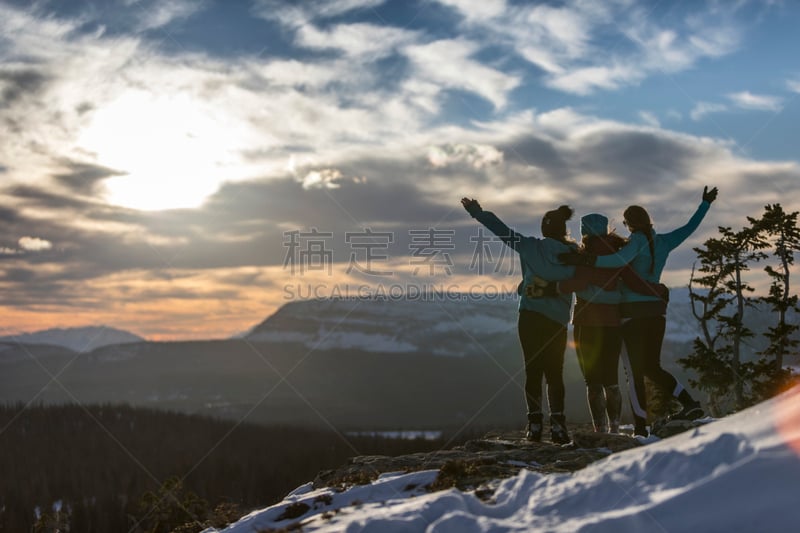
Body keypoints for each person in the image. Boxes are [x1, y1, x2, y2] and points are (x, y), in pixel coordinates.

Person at [559, 186, 719, 436]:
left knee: (634, 373)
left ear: (629, 223)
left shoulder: (636, 241)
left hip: (632, 314)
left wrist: (586, 260)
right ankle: (690, 404)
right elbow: (689, 228)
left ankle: (641, 428)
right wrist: (704, 205)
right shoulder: (664, 241)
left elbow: (616, 262)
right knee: (652, 367)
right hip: (657, 314)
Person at [530, 213, 668, 433]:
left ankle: (601, 431)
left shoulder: (583, 256)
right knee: (611, 380)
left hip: (586, 322)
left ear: (585, 232)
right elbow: (635, 282)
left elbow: (576, 282)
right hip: (613, 323)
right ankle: (614, 427)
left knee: (592, 381)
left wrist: (549, 288)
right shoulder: (620, 255)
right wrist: (660, 291)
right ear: (605, 229)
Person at [461, 197, 576, 444]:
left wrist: (477, 212)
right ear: (563, 230)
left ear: (544, 229)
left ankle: (534, 426)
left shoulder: (529, 246)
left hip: (530, 316)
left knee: (532, 371)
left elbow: (501, 230)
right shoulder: (574, 256)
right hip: (557, 320)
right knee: (555, 373)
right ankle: (558, 427)